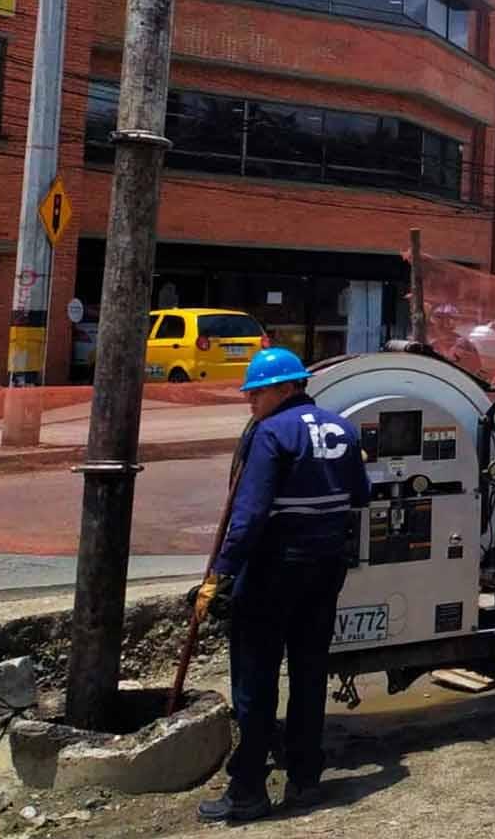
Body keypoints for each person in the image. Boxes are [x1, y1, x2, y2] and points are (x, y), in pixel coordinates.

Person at [191, 347, 369, 823]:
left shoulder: (271, 435)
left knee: (255, 681)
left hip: (274, 572)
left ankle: (248, 789)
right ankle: (305, 779)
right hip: (325, 569)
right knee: (310, 674)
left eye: (257, 394)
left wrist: (220, 576)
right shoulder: (344, 429)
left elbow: (248, 519)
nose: (251, 404)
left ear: (287, 387)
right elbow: (360, 495)